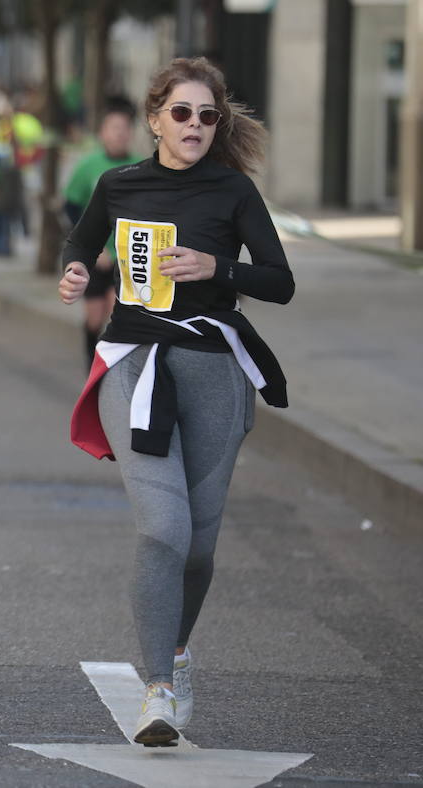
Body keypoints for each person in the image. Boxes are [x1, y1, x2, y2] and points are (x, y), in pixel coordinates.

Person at [60, 57, 294, 747]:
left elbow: (279, 281)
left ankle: (178, 653)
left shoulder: (233, 191)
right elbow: (82, 237)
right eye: (182, 113)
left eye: (207, 116)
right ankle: (157, 687)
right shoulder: (119, 183)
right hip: (135, 364)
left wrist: (215, 268)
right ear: (155, 117)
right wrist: (77, 269)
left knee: (198, 545)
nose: (195, 125)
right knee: (163, 526)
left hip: (215, 372)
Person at [63, 96, 143, 362]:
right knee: (94, 318)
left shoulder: (141, 167)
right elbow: (71, 207)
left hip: (126, 257)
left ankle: (110, 370)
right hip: (97, 256)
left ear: (130, 133)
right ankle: (90, 364)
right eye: (113, 128)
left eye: (124, 129)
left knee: (114, 315)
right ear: (103, 132)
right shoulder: (88, 166)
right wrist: (91, 249)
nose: (119, 134)